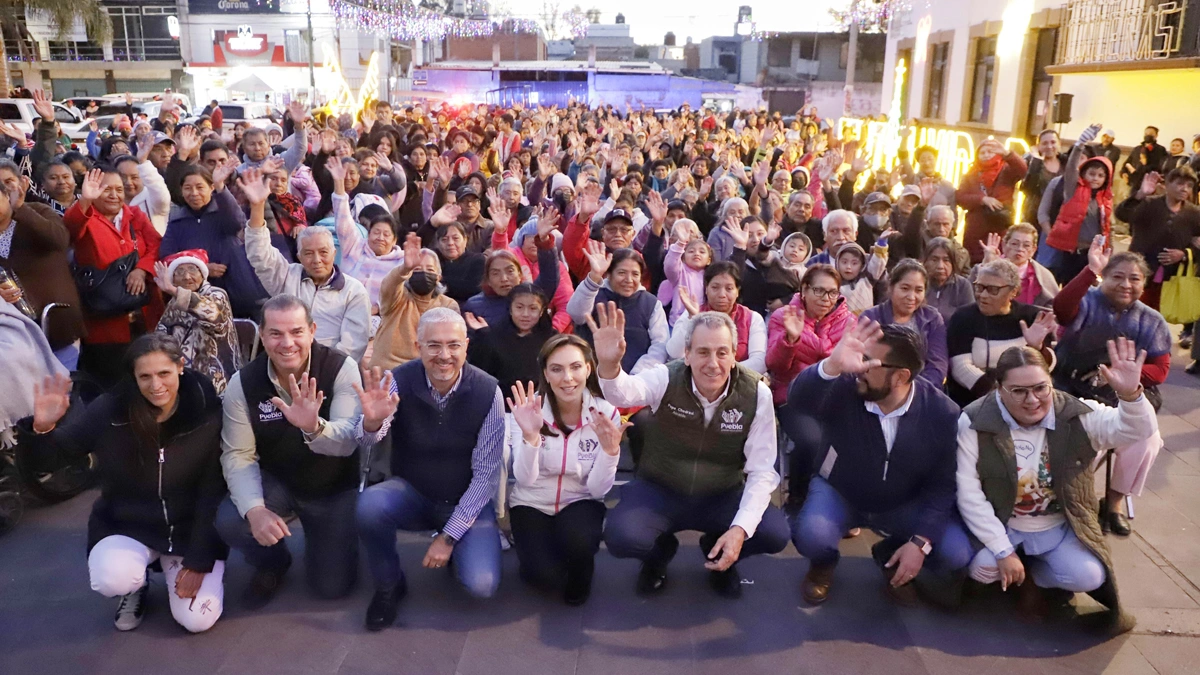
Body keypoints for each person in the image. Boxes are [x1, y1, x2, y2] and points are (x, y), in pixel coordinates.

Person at [19, 334, 226, 633]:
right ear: (133, 377)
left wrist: (199, 560)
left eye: (164, 373)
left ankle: (192, 571)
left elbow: (212, 493)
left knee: (197, 621)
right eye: (145, 376)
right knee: (111, 577)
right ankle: (135, 585)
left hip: (187, 531)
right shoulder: (110, 410)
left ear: (180, 366)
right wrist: (42, 428)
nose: (156, 385)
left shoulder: (206, 411)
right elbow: (54, 459)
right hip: (128, 525)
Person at [955, 341, 1155, 634]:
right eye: (1019, 391)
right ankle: (1017, 572)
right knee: (981, 570)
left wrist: (1129, 395)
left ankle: (1034, 579)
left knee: (1089, 576)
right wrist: (1002, 550)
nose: (1032, 400)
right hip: (1003, 525)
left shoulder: (1076, 414)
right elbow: (969, 492)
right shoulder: (974, 419)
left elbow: (1137, 431)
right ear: (999, 389)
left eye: (1040, 387)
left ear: (1051, 382)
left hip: (1058, 528)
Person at [594, 306, 790, 598]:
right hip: (661, 488)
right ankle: (658, 555)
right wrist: (610, 365)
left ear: (735, 355)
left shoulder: (755, 393)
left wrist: (739, 530)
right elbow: (623, 393)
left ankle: (719, 550)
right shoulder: (666, 377)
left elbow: (762, 471)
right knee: (622, 536)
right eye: (703, 352)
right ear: (686, 354)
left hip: (721, 493)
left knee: (774, 533)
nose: (713, 363)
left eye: (722, 352)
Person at [789, 320, 971, 606]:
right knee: (812, 535)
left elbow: (942, 483)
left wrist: (919, 543)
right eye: (861, 357)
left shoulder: (942, 412)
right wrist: (831, 366)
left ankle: (891, 554)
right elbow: (798, 401)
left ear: (900, 377)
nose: (859, 366)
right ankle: (823, 564)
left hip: (901, 503)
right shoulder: (847, 384)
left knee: (956, 552)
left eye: (869, 362)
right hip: (840, 492)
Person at [216, 295, 380, 608]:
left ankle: (338, 541)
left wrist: (313, 428)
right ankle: (273, 562)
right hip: (278, 481)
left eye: (296, 332)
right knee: (231, 520)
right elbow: (238, 455)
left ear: (312, 330)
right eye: (275, 333)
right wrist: (255, 510)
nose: (286, 343)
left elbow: (347, 442)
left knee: (332, 588)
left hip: (333, 487)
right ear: (262, 336)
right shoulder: (244, 382)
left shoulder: (339, 368)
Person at [356, 308, 505, 631]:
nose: (444, 355)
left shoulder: (488, 391)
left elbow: (485, 477)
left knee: (482, 585)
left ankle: (458, 548)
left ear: (466, 346)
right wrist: (372, 421)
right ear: (417, 345)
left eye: (453, 345)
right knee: (369, 507)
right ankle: (389, 583)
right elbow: (367, 441)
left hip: (467, 500)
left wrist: (449, 537)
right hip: (414, 492)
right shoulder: (398, 379)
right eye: (433, 345)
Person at [1053, 240, 1170, 536]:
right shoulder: (1087, 301)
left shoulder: (1152, 320)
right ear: (1105, 276)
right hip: (1072, 385)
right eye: (1117, 276)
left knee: (1148, 437)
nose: (1126, 284)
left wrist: (1126, 375)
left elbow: (1161, 369)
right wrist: (1090, 271)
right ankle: (1066, 497)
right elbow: (1061, 309)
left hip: (1126, 394)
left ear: (1144, 282)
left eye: (1134, 278)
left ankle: (1114, 502)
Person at [505, 335, 624, 605]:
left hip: (579, 500)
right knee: (543, 578)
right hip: (531, 502)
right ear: (546, 374)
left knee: (578, 545)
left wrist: (610, 452)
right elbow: (524, 479)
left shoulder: (605, 413)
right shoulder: (527, 411)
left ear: (588, 369)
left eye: (575, 367)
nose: (567, 378)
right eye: (556, 369)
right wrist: (531, 438)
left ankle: (581, 561)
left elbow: (598, 489)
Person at [242, 168, 371, 362]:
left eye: (323, 252)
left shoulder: (354, 291)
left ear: (334, 254)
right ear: (299, 256)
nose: (317, 260)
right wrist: (258, 206)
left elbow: (353, 346)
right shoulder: (288, 277)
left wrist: (318, 369)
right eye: (308, 253)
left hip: (332, 368)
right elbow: (259, 254)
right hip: (286, 361)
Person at [63, 167, 163, 386]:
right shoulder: (86, 218)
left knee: (147, 380)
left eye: (119, 189)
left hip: (144, 315)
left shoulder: (135, 215)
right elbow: (70, 227)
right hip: (104, 324)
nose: (114, 195)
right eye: (106, 189)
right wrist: (85, 201)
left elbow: (156, 245)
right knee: (111, 387)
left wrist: (142, 269)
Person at [0, 159, 85, 366]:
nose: (7, 189)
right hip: (13, 337)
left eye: (8, 183)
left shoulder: (38, 211)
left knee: (61, 392)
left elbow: (59, 240)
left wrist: (20, 209)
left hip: (56, 325)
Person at [160, 163, 269, 320]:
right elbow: (167, 256)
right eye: (188, 188)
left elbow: (237, 223)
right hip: (200, 296)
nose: (194, 193)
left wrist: (221, 187)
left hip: (238, 285)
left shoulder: (223, 210)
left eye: (200, 187)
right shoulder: (177, 221)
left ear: (211, 188)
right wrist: (201, 268)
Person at [946, 259, 1057, 407]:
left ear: (1013, 292)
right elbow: (961, 368)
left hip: (1025, 399)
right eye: (979, 287)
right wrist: (1001, 397)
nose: (983, 295)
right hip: (974, 401)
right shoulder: (963, 318)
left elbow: (1048, 368)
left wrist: (1037, 348)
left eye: (993, 289)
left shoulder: (1032, 317)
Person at [568, 243, 669, 375]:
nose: (629, 280)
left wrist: (636, 377)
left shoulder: (651, 303)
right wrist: (594, 277)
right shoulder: (593, 293)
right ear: (609, 274)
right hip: (591, 377)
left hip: (636, 381)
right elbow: (576, 314)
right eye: (622, 273)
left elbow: (660, 345)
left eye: (635, 274)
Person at [152, 250, 243, 396]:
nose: (187, 277)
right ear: (173, 279)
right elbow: (161, 334)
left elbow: (212, 313)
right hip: (182, 376)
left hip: (216, 377)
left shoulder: (217, 294)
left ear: (203, 274)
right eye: (180, 272)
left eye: (192, 270)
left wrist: (173, 290)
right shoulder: (174, 303)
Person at [326, 157, 405, 314]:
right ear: (368, 234)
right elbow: (343, 219)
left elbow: (404, 295)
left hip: (380, 317)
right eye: (376, 232)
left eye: (386, 234)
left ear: (394, 240)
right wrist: (339, 184)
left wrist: (379, 309)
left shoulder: (402, 261)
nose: (380, 237)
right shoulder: (355, 246)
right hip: (340, 310)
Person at [369, 232, 459, 370]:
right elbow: (389, 284)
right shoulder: (397, 298)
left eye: (429, 269)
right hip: (388, 371)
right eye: (417, 269)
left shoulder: (447, 305)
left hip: (426, 373)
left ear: (438, 277)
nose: (423, 273)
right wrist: (405, 268)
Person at [1114, 166, 1200, 310]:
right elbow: (1122, 215)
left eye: (1189, 186)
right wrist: (1140, 195)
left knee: (1157, 315)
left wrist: (1184, 254)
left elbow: (1197, 244)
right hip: (1140, 268)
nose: (1184, 189)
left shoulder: (1193, 213)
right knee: (1129, 309)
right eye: (1179, 183)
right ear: (1167, 184)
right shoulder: (1148, 204)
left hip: (1171, 276)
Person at [666, 260, 767, 374]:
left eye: (729, 289)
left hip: (739, 381)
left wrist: (720, 371)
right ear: (706, 289)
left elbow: (759, 362)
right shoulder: (692, 313)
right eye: (715, 287)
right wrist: (692, 318)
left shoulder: (752, 318)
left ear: (737, 291)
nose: (722, 294)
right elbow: (674, 353)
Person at [1044, 124, 1113, 284]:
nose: (1096, 178)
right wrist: (1080, 144)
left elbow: (1109, 228)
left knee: (1089, 292)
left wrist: (1108, 253)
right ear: (1084, 174)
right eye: (1092, 174)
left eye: (1101, 175)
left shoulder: (1106, 199)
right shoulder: (1073, 191)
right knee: (1069, 289)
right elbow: (1071, 169)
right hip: (1071, 253)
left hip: (1093, 254)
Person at [862, 260, 948, 385]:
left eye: (918, 290)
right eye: (905, 288)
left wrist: (913, 392)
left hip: (922, 390)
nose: (911, 297)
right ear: (891, 287)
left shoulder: (932, 318)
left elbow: (938, 365)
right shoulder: (871, 317)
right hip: (880, 388)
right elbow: (864, 362)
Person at [466, 282, 556, 397]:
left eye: (533, 308)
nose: (525, 314)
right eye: (519, 307)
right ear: (510, 308)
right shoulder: (489, 338)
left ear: (542, 311)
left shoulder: (552, 340)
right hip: (501, 405)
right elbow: (479, 379)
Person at [957, 139, 1028, 264]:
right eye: (982, 152)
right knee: (974, 264)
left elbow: (1022, 170)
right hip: (976, 229)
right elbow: (960, 197)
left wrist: (1007, 154)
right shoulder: (970, 175)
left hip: (999, 227)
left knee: (1000, 263)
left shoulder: (1006, 171)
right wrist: (982, 199)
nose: (986, 155)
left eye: (990, 151)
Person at [976, 223, 1059, 308]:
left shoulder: (1043, 275)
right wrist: (988, 264)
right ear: (1004, 245)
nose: (1020, 249)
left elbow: (1053, 307)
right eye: (1014, 244)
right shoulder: (987, 266)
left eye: (1026, 245)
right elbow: (971, 296)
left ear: (1033, 250)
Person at [923, 237, 975, 323]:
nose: (940, 266)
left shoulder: (962, 285)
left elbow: (969, 320)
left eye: (946, 260)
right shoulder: (918, 284)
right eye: (934, 260)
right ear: (926, 261)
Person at [434, 222, 486, 305]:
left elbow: (473, 288)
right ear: (437, 243)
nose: (450, 243)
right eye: (444, 239)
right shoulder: (433, 260)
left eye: (456, 238)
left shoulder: (477, 260)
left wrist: (438, 282)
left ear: (465, 240)